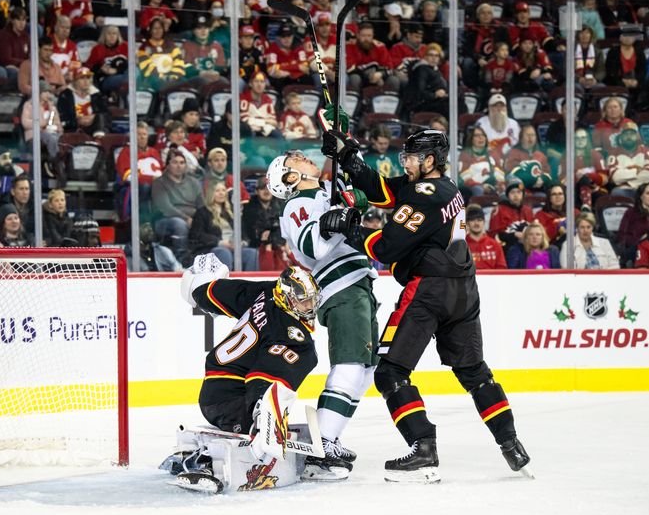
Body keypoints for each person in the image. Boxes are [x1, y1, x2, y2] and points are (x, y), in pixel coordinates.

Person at [320, 129, 531, 481]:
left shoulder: (424, 195)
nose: (407, 163)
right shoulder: (442, 188)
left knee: (390, 372)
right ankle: (511, 443)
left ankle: (424, 448)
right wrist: (349, 158)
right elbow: (386, 190)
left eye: (412, 158)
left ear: (430, 160)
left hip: (429, 291)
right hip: (463, 290)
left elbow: (385, 248)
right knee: (475, 372)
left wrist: (350, 226)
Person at [266, 145, 380, 481]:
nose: (301, 154)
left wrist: (349, 190)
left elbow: (359, 201)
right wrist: (335, 222)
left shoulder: (324, 192)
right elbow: (312, 246)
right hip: (341, 286)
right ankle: (322, 448)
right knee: (349, 364)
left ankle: (331, 436)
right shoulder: (298, 204)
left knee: (366, 370)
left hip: (358, 283)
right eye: (293, 158)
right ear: (289, 177)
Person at [169, 260, 321, 492]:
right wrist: (262, 422)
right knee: (255, 433)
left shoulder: (266, 290)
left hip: (216, 387)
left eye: (312, 299)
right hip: (230, 400)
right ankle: (200, 461)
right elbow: (265, 376)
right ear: (287, 298)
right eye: (302, 301)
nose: (309, 306)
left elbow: (212, 293)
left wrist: (199, 289)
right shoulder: (293, 335)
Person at [188, 182, 258, 271]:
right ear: (211, 194)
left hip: (234, 247)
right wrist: (220, 242)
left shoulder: (233, 212)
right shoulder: (202, 212)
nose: (221, 193)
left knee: (252, 253)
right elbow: (197, 235)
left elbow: (243, 233)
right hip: (212, 248)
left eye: (223, 190)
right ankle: (226, 283)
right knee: (224, 252)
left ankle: (250, 283)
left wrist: (241, 243)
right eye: (217, 191)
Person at [151, 148, 204, 263]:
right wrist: (186, 218)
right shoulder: (159, 183)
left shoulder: (194, 182)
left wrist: (199, 219)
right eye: (175, 162)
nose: (178, 166)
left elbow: (202, 205)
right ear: (168, 165)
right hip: (165, 220)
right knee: (179, 224)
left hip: (192, 218)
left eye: (182, 162)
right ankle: (182, 260)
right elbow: (165, 207)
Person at [242, 176, 290, 271]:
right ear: (256, 191)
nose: (266, 191)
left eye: (268, 188)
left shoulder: (280, 205)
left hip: (279, 244)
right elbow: (251, 233)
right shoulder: (249, 208)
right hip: (257, 245)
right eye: (262, 188)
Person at [607, 122, 649, 199]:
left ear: (637, 136)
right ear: (621, 136)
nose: (629, 137)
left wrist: (629, 182)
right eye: (626, 134)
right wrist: (637, 170)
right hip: (626, 191)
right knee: (616, 192)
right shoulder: (613, 154)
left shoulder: (646, 150)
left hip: (645, 189)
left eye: (632, 134)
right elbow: (616, 177)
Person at [57, 67, 109, 138]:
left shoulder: (97, 94)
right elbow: (62, 116)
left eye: (88, 78)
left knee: (101, 117)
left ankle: (99, 139)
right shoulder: (65, 95)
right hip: (73, 127)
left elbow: (105, 113)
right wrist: (77, 120)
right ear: (75, 81)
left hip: (94, 126)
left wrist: (94, 117)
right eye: (82, 78)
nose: (86, 81)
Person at [618, 183, 649, 266]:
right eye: (648, 193)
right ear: (640, 196)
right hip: (636, 249)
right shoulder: (631, 213)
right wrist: (640, 240)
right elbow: (621, 235)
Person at [21, 80, 63, 159]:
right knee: (52, 139)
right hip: (35, 135)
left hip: (51, 132)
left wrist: (56, 128)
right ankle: (54, 159)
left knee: (61, 139)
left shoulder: (52, 107)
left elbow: (57, 123)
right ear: (39, 92)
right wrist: (41, 123)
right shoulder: (29, 105)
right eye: (45, 92)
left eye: (49, 92)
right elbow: (25, 122)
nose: (48, 95)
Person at [458, 126, 504, 198]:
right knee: (478, 190)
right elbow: (464, 176)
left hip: (493, 184)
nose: (481, 138)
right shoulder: (465, 154)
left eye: (483, 135)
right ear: (471, 139)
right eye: (477, 135)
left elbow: (500, 171)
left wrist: (499, 184)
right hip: (475, 186)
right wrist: (481, 186)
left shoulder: (493, 152)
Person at [489, 179, 534, 252]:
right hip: (507, 247)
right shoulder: (499, 210)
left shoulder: (528, 210)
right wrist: (514, 235)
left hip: (528, 245)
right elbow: (494, 234)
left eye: (519, 192)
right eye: (512, 192)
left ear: (523, 195)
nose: (516, 195)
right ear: (507, 195)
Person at [0, 7, 30, 84]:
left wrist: (23, 65)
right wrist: (24, 63)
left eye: (24, 20)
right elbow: (6, 59)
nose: (22, 23)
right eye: (18, 20)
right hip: (2, 67)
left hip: (19, 67)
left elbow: (30, 57)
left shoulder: (26, 36)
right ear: (12, 20)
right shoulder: (3, 35)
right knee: (14, 73)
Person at [85, 25, 128, 95]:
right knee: (129, 79)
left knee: (133, 72)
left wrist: (117, 70)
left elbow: (134, 62)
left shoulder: (125, 46)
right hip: (107, 79)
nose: (112, 36)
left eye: (114, 34)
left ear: (118, 35)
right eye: (109, 34)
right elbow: (88, 67)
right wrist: (100, 69)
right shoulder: (98, 49)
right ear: (104, 36)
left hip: (124, 75)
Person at [465, 204, 506, 269]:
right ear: (467, 223)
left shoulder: (495, 245)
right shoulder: (462, 245)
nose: (476, 223)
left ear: (484, 222)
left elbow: (502, 269)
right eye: (472, 220)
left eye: (479, 219)